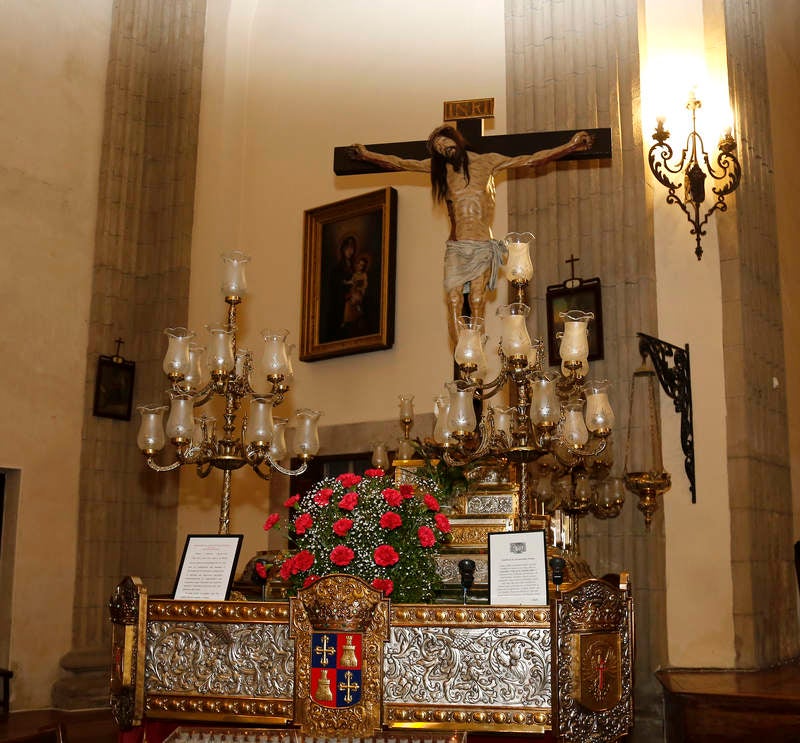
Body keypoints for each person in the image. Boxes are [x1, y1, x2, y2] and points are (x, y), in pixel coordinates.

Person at [352, 125, 593, 343]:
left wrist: (571, 146)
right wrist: (366, 155)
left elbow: (531, 161)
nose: (444, 149)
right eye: (439, 149)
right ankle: (463, 356)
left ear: (455, 139)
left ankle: (474, 351)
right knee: (455, 301)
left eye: (445, 142)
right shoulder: (442, 171)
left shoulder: (488, 162)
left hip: (481, 245)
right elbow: (400, 163)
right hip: (456, 247)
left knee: (477, 300)